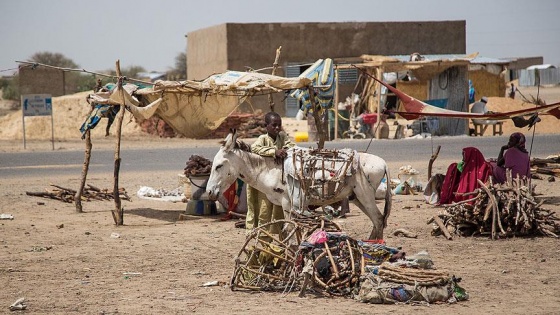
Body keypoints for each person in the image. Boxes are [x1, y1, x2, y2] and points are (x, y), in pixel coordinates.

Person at [245, 112, 295, 234]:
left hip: (278, 182)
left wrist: (284, 151)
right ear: (266, 126)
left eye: (279, 125)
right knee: (264, 210)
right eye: (274, 125)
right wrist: (274, 152)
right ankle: (262, 237)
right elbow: (254, 148)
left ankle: (276, 236)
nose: (277, 128)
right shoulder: (262, 139)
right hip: (264, 182)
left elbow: (291, 146)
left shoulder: (282, 137)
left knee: (279, 209)